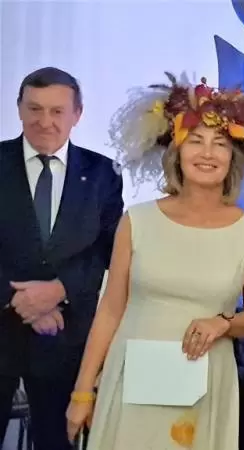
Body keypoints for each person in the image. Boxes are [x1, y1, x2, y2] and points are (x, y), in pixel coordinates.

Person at [64, 73, 244, 449]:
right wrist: (82, 391)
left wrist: (223, 323)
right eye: (196, 141)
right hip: (130, 380)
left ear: (233, 157)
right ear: (177, 151)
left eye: (219, 144)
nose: (207, 153)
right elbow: (110, 310)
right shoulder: (137, 221)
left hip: (204, 384)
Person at [0, 67, 123, 450]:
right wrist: (20, 299)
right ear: (19, 109)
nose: (45, 121)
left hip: (66, 339)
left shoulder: (103, 173)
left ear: (77, 114)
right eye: (34, 109)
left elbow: (108, 249)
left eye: (57, 111)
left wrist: (60, 289)